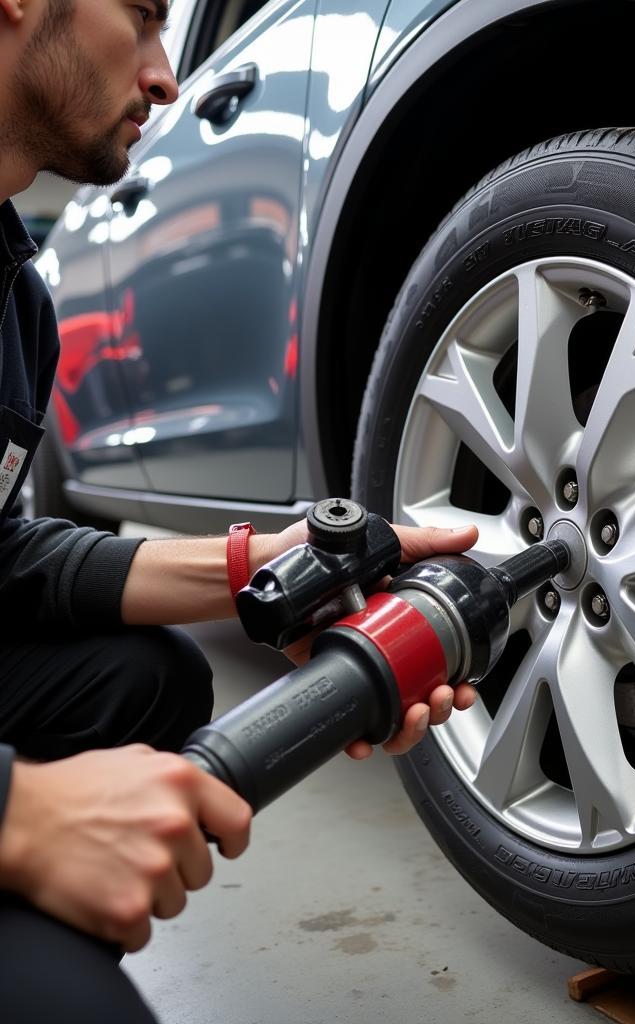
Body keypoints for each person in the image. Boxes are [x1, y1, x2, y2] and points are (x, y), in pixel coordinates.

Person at [0, 0, 479, 1019]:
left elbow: (1, 556)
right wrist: (20, 816)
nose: (169, 77)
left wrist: (267, 566)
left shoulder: (19, 307)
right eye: (141, 16)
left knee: (152, 677)